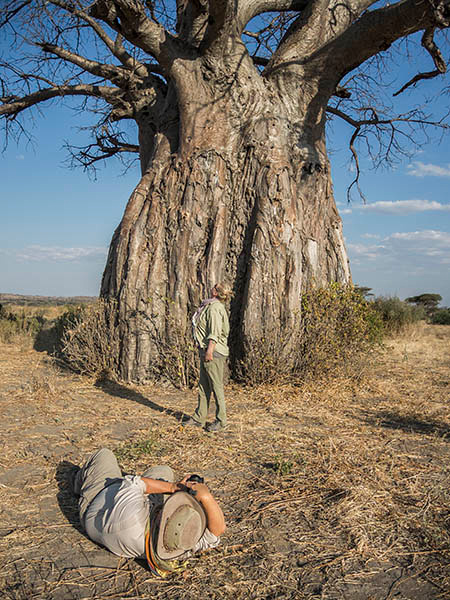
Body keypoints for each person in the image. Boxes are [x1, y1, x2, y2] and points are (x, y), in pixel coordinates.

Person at [72, 448, 226, 576]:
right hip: (135, 514)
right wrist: (206, 497)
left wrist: (175, 488)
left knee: (104, 455)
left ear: (160, 516)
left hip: (100, 501)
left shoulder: (131, 517)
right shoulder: (178, 545)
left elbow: (134, 482)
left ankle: (79, 483)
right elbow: (216, 531)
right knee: (162, 471)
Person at [185, 282, 231, 432]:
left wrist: (210, 350)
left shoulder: (215, 308)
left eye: (214, 287)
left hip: (214, 352)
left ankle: (221, 420)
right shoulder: (209, 306)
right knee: (204, 386)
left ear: (216, 292)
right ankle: (199, 417)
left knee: (216, 386)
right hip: (206, 350)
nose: (211, 288)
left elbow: (215, 332)